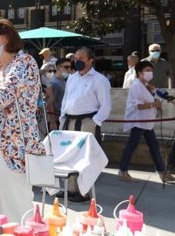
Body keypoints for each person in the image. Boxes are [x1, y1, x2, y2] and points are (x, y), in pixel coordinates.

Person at [0, 19, 46, 223]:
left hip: (13, 144)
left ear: (4, 37)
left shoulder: (24, 62)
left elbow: (1, 98)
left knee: (15, 202)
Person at [60, 47, 112, 203]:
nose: (77, 61)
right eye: (76, 58)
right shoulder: (72, 78)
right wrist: (63, 117)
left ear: (90, 60)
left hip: (87, 121)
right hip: (70, 121)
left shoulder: (99, 80)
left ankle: (84, 192)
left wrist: (94, 122)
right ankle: (70, 189)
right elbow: (66, 99)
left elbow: (106, 106)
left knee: (84, 158)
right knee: (69, 156)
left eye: (81, 58)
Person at [118, 61, 175, 183]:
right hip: (139, 121)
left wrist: (158, 98)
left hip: (147, 122)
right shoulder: (136, 86)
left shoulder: (145, 85)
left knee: (154, 147)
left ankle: (162, 172)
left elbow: (151, 98)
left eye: (151, 70)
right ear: (140, 72)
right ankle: (122, 171)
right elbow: (137, 106)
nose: (150, 73)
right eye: (147, 70)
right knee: (132, 146)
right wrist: (153, 104)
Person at [49, 58, 73, 129]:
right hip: (57, 120)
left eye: (70, 67)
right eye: (66, 67)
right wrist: (53, 123)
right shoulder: (54, 83)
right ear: (58, 68)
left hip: (65, 118)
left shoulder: (66, 81)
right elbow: (50, 104)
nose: (69, 70)